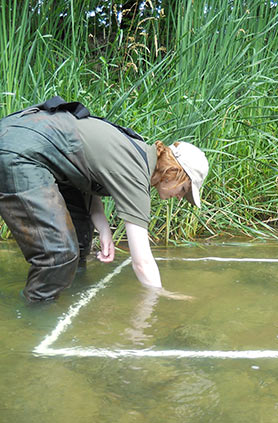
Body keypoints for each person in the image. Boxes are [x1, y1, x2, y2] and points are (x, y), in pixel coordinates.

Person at [0, 96, 209, 302]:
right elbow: (142, 262)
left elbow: (86, 172)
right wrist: (159, 297)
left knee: (81, 241)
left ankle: (69, 297)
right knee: (58, 255)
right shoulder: (136, 174)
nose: (181, 198)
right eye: (184, 190)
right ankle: (35, 316)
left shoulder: (136, 153)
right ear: (174, 173)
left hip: (25, 137)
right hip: (19, 152)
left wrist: (104, 227)